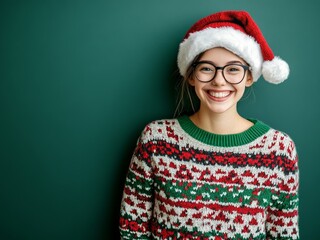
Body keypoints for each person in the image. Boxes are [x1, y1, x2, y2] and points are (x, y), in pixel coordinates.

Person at [119, 10, 299, 239]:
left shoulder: (278, 150)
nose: (219, 80)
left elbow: (284, 235)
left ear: (250, 76)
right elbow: (132, 229)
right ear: (191, 75)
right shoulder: (156, 140)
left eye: (233, 69)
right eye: (206, 68)